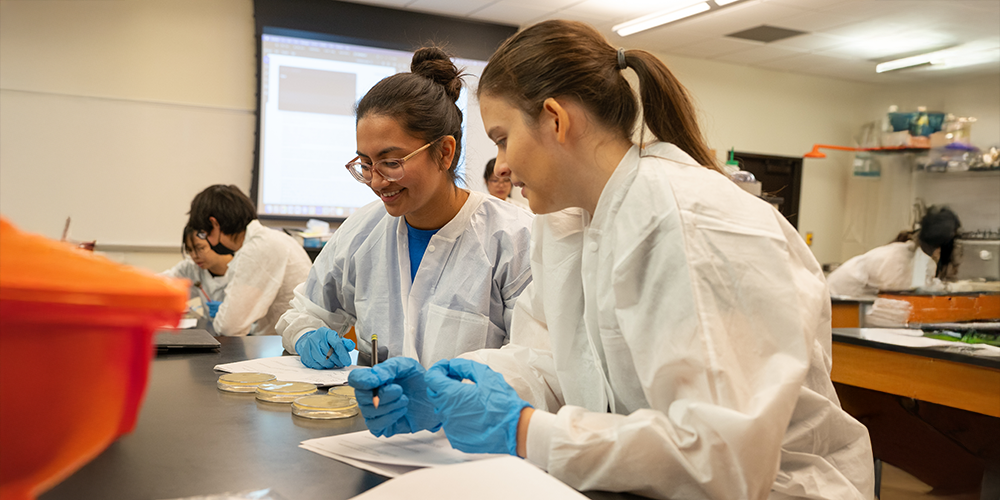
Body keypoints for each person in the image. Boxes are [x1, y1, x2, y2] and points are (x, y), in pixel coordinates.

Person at [348, 20, 874, 499]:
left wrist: (525, 430)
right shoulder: (568, 224)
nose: (501, 167)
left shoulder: (690, 224)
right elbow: (548, 358)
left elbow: (723, 461)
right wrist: (451, 391)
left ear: (554, 119)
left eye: (504, 140)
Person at [275, 47, 533, 370]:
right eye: (366, 164)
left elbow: (534, 361)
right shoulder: (363, 231)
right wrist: (306, 335)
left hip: (468, 421)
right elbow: (304, 313)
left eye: (391, 162)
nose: (377, 181)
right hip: (374, 419)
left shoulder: (513, 238)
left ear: (444, 152)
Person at [186, 184, 311, 336]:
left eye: (206, 234)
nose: (210, 242)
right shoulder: (274, 238)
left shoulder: (255, 250)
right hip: (290, 337)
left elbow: (229, 328)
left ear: (214, 224)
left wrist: (224, 315)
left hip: (284, 343)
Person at [826, 206, 961, 297]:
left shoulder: (919, 258)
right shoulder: (898, 258)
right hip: (836, 301)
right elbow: (897, 299)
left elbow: (923, 288)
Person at [161, 224, 232, 318]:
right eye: (190, 250)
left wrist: (233, 313)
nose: (194, 256)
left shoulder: (243, 267)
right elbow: (161, 282)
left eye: (200, 248)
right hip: (210, 330)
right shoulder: (192, 268)